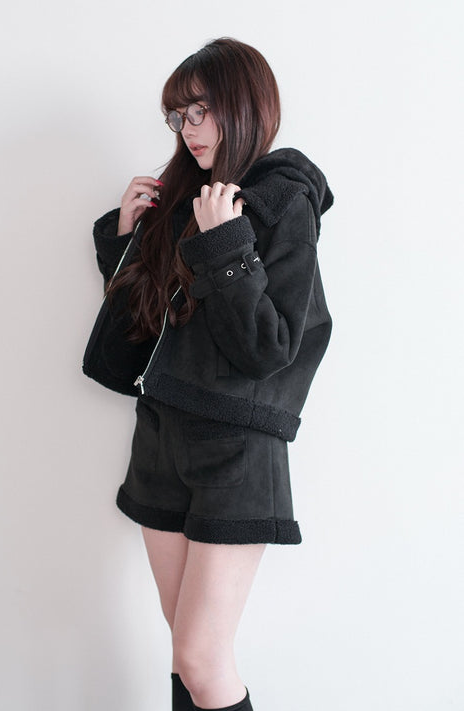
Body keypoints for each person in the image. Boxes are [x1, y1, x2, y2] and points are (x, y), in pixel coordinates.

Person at [85, 37, 334, 711]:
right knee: (187, 658)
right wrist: (127, 240)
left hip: (235, 448)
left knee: (202, 659)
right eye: (177, 115)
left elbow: (270, 347)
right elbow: (145, 335)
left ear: (243, 104)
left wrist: (225, 242)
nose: (187, 128)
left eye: (200, 110)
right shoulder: (187, 200)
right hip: (161, 437)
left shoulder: (281, 200)